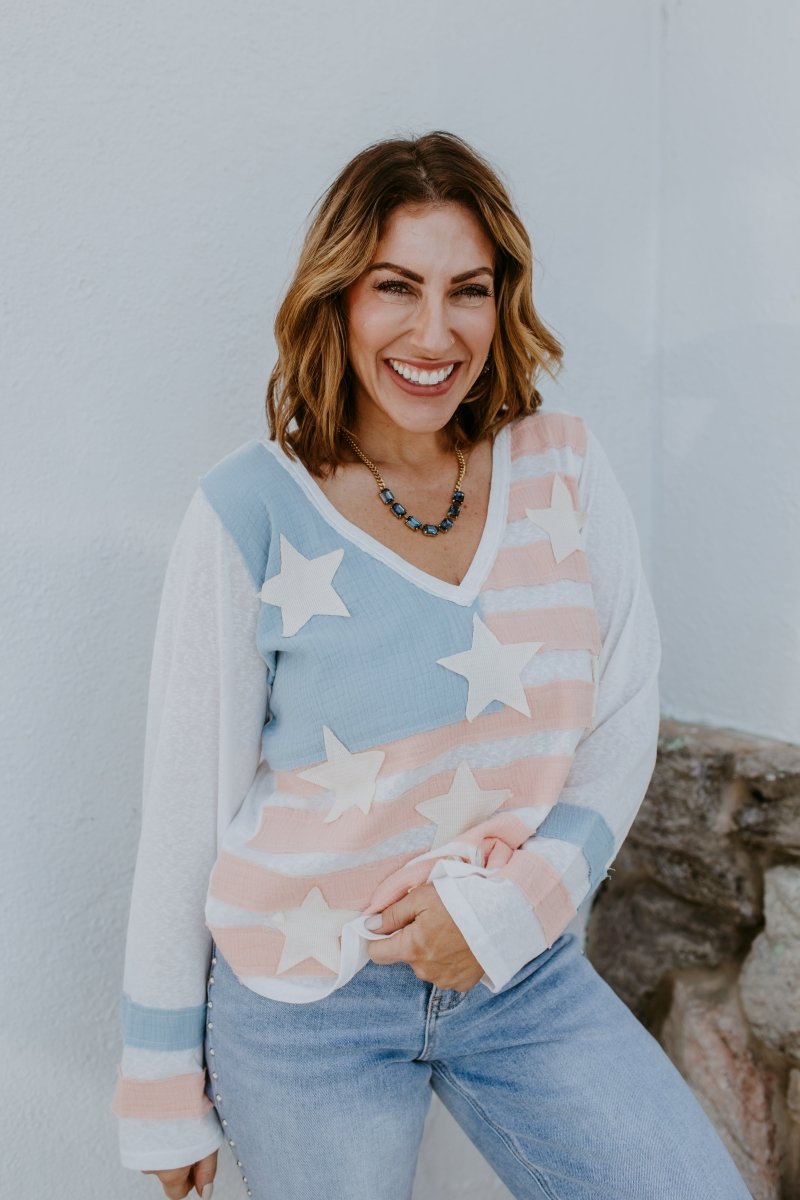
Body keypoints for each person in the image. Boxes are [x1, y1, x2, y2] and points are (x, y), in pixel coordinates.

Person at [111, 131, 752, 1200]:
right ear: (338, 301)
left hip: (523, 973)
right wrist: (161, 1084)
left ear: (503, 304)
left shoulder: (564, 470)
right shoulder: (247, 511)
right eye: (395, 287)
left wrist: (515, 909)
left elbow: (619, 720)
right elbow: (184, 812)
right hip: (305, 1005)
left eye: (468, 291)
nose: (433, 331)